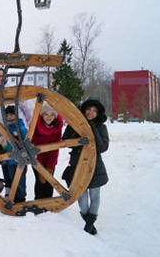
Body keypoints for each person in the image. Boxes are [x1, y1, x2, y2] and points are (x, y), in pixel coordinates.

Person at [62, 97, 109, 235]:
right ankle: (88, 221)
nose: (90, 113)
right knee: (81, 196)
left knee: (95, 195)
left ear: (98, 113)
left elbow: (102, 147)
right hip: (77, 165)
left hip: (95, 166)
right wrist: (75, 127)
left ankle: (89, 224)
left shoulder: (101, 127)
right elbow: (65, 140)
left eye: (94, 111)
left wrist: (92, 129)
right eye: (88, 109)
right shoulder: (76, 124)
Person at [31, 104, 64, 199]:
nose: (49, 117)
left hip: (51, 157)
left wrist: (50, 164)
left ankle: (48, 201)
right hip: (37, 158)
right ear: (42, 115)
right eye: (46, 114)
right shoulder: (35, 125)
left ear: (55, 116)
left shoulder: (57, 127)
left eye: (52, 115)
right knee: (39, 181)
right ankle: (38, 201)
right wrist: (38, 162)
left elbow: (55, 147)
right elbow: (33, 142)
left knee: (49, 181)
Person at [0, 105, 27, 203]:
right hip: (9, 159)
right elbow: (2, 141)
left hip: (20, 158)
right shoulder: (5, 127)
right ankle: (13, 196)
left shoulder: (19, 124)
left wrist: (17, 132)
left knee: (20, 179)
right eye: (7, 115)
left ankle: (21, 197)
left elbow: (24, 132)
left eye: (11, 115)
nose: (9, 117)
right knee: (12, 178)